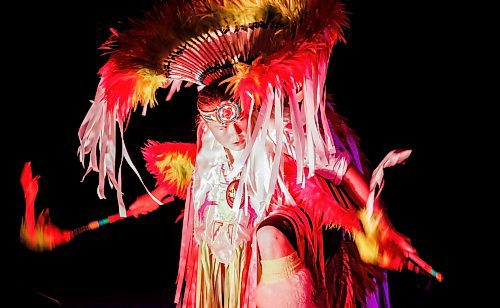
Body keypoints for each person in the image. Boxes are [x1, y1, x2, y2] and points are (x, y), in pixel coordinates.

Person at [77, 0, 437, 307]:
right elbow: (201, 169)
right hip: (227, 241)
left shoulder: (282, 129)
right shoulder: (210, 135)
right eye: (220, 126)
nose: (232, 133)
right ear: (206, 121)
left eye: (238, 121)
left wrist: (383, 227)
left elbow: (343, 170)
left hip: (284, 213)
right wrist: (153, 197)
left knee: (268, 236)